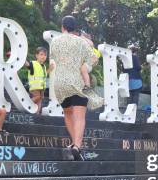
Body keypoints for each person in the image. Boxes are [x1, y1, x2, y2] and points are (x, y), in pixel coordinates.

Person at [50, 16, 102, 160]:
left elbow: (54, 59)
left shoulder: (55, 41)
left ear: (62, 27)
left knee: (67, 113)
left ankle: (73, 143)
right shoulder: (81, 42)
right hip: (77, 82)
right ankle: (77, 147)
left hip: (60, 83)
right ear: (75, 28)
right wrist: (85, 66)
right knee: (79, 116)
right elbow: (94, 58)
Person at [25, 47, 50, 114]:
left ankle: (37, 113)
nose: (43, 56)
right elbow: (27, 65)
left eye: (45, 55)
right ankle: (26, 104)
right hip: (34, 87)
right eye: (41, 54)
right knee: (37, 97)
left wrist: (50, 69)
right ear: (37, 55)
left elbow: (44, 76)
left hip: (41, 88)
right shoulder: (33, 63)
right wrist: (23, 59)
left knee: (40, 100)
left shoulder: (43, 66)